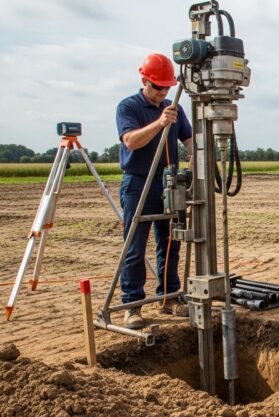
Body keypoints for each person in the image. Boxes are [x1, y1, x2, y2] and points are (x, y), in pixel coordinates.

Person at [116, 53, 192, 329]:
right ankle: (132, 305)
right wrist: (160, 123)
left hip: (169, 182)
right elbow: (131, 141)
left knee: (171, 243)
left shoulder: (176, 109)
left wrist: (195, 154)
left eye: (167, 88)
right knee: (135, 247)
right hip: (138, 183)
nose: (163, 92)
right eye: (157, 87)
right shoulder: (128, 107)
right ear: (144, 80)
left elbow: (189, 139)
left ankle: (169, 297)